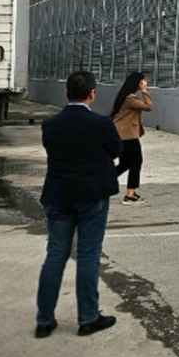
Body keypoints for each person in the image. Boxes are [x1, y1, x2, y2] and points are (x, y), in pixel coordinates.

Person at [34, 70, 120, 338]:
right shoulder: (101, 124)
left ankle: (44, 320)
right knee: (88, 255)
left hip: (58, 195)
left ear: (66, 93)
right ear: (92, 93)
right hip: (92, 196)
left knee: (55, 255)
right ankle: (88, 317)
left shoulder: (50, 125)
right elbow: (116, 150)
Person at [111, 71, 151, 205]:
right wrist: (145, 91)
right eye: (143, 81)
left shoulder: (127, 97)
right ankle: (130, 194)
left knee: (126, 163)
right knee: (136, 161)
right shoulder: (130, 99)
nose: (145, 82)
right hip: (127, 136)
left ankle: (102, 179)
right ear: (138, 83)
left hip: (123, 134)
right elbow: (149, 107)